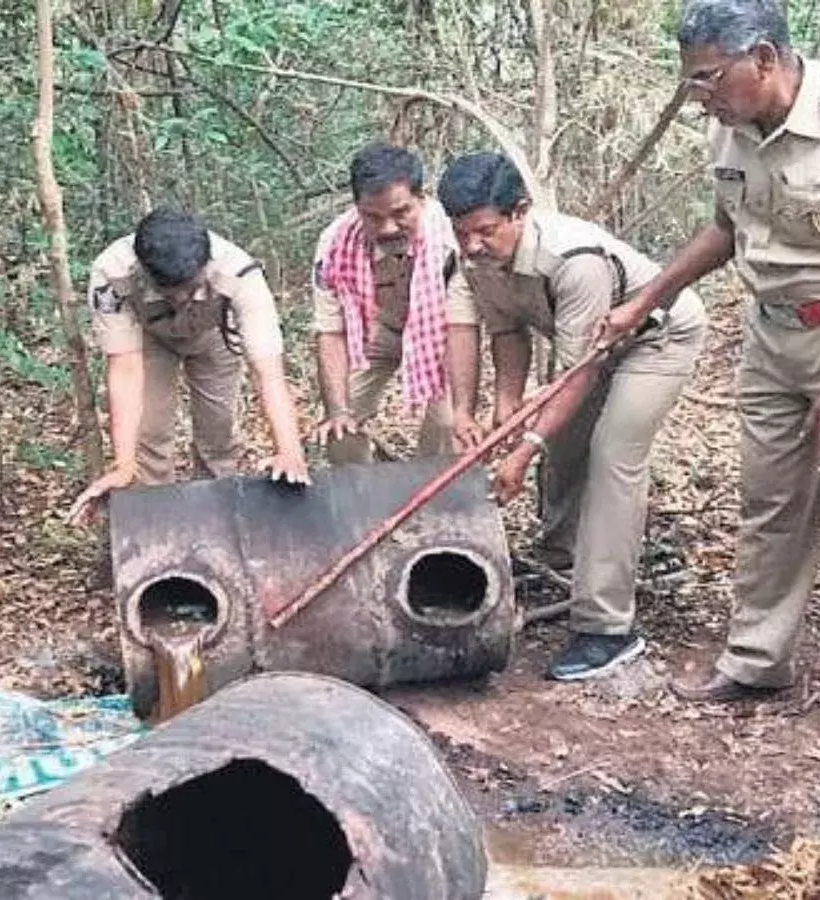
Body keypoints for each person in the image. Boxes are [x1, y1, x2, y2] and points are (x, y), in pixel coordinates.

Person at [602, 0, 820, 765]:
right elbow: (727, 229)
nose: (698, 95)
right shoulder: (728, 127)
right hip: (773, 334)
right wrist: (646, 298)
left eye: (708, 78)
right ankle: (758, 661)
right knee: (770, 506)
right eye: (691, 81)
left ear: (763, 57)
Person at [438, 151, 709, 680]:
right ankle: (562, 560)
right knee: (563, 447)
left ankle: (606, 627)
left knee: (612, 455)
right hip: (589, 350)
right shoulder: (474, 261)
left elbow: (576, 376)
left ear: (519, 212)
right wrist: (505, 406)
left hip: (657, 338)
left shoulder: (574, 260)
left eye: (485, 231)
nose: (472, 245)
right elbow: (507, 331)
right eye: (461, 232)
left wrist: (523, 448)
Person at [70, 208, 309, 522]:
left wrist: (289, 450)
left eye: (190, 287)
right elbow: (125, 369)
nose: (182, 298)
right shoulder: (112, 272)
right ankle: (156, 520)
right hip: (148, 340)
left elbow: (268, 371)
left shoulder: (239, 271)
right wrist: (124, 464)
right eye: (171, 292)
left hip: (213, 337)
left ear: (206, 264)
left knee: (218, 430)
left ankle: (222, 515)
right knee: (149, 435)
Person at [311, 143, 482, 463]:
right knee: (340, 428)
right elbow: (330, 332)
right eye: (372, 217)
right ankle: (362, 493)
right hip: (376, 332)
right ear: (356, 207)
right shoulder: (335, 244)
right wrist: (338, 410)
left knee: (446, 423)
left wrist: (463, 410)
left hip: (440, 335)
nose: (388, 228)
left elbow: (461, 325)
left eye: (401, 212)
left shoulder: (451, 238)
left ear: (422, 198)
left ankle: (427, 491)